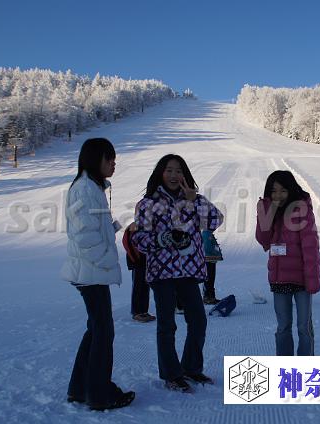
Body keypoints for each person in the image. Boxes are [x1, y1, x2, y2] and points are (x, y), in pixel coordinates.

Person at [132, 154, 224, 392]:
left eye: (178, 170)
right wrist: (164, 238)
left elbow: (216, 220)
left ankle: (191, 368)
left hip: (188, 271)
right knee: (167, 325)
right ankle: (172, 374)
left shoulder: (194, 200)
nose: (174, 175)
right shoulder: (148, 203)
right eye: (169, 170)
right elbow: (139, 239)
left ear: (185, 174)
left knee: (198, 321)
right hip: (161, 272)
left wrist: (196, 201)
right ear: (160, 173)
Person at [60, 137, 135, 410]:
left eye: (114, 159)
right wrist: (107, 260)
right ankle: (99, 394)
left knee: (96, 330)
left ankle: (80, 388)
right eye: (109, 159)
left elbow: (93, 229)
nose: (114, 164)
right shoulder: (84, 189)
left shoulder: (92, 187)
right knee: (103, 332)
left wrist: (119, 226)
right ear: (95, 159)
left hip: (91, 271)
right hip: (90, 273)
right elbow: (84, 237)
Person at [255, 170, 320, 356]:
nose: (278, 195)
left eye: (283, 191)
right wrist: (268, 212)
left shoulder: (302, 210)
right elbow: (263, 240)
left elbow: (310, 247)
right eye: (274, 191)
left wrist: (312, 280)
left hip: (302, 281)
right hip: (280, 278)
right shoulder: (269, 211)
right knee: (283, 326)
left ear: (291, 190)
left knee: (304, 327)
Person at [122, 219, 156, 323]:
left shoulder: (149, 224)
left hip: (146, 261)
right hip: (138, 262)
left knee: (145, 286)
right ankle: (137, 312)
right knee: (138, 286)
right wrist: (135, 259)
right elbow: (127, 243)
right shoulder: (135, 225)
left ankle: (143, 311)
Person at [201, 230, 223, 304]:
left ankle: (211, 297)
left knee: (211, 278)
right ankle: (208, 297)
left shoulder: (208, 233)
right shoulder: (207, 234)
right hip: (209, 260)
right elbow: (208, 247)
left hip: (211, 260)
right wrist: (216, 252)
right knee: (209, 278)